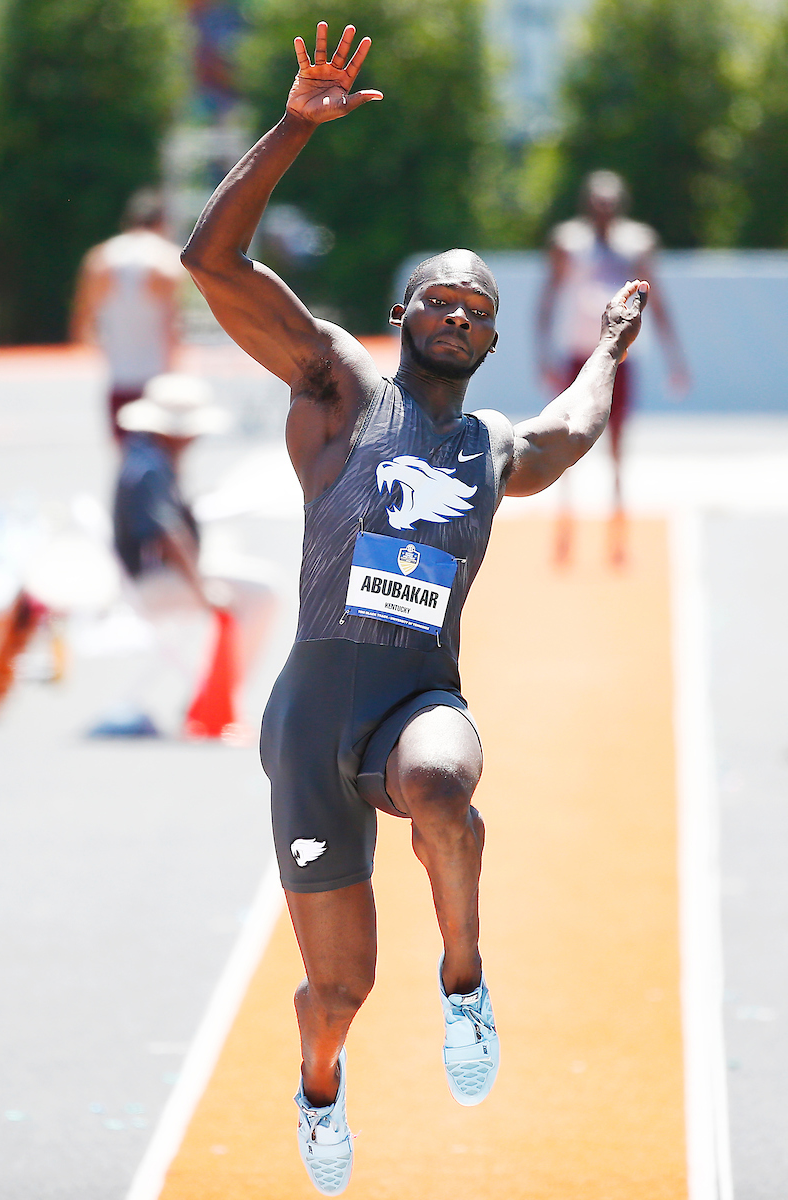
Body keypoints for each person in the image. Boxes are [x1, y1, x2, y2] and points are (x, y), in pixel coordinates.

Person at [181, 22, 649, 1196]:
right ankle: (319, 1088)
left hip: (411, 703)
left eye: (477, 309)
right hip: (308, 724)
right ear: (402, 316)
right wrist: (293, 126)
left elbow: (575, 429)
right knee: (335, 989)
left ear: (491, 340)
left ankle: (466, 986)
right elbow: (212, 264)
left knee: (445, 781)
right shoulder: (338, 386)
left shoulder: (494, 446)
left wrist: (603, 348)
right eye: (439, 299)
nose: (457, 314)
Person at [91, 373, 272, 738]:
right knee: (264, 594)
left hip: (152, 577)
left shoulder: (146, 456)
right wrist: (202, 588)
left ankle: (214, 694)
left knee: (259, 588)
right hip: (154, 583)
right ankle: (217, 696)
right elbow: (167, 535)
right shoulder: (148, 468)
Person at [537, 170, 689, 563]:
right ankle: (566, 526)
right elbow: (548, 300)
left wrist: (676, 358)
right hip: (577, 353)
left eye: (610, 203)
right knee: (565, 439)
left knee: (618, 444)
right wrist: (543, 355)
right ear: (587, 204)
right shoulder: (568, 242)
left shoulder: (636, 243)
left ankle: (617, 531)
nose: (603, 209)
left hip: (620, 358)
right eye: (596, 202)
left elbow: (658, 299)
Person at [71, 189, 184, 442]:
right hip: (155, 377)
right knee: (159, 458)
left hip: (119, 376)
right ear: (162, 222)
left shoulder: (100, 260)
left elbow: (83, 323)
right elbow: (172, 325)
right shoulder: (166, 260)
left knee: (125, 455)